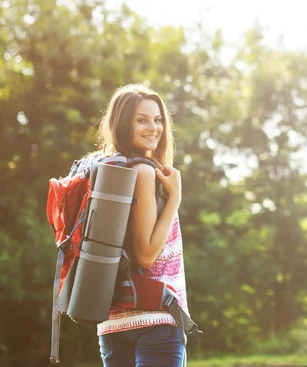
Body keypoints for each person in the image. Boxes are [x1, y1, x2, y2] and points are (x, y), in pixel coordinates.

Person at [94, 84, 190, 367]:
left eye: (158, 119)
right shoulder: (143, 172)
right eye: (141, 119)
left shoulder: (107, 168)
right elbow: (145, 256)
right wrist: (175, 198)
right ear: (123, 123)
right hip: (155, 318)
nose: (154, 127)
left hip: (112, 323)